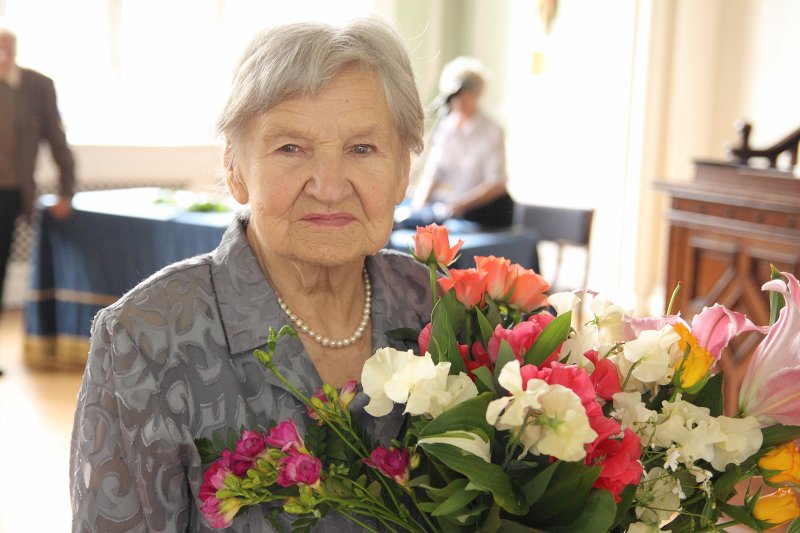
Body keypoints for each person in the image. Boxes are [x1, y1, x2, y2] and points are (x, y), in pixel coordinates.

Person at [69, 18, 432, 532]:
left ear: (402, 171)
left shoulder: (437, 308)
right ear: (235, 169)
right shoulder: (145, 340)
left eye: (362, 149)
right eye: (291, 148)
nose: (328, 188)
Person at [0, 27, 75, 310]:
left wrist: (66, 190)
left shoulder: (36, 87)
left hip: (8, 191)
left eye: (4, 51)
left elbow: (57, 142)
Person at [409, 56, 513, 228]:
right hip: (456, 209)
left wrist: (458, 205)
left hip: (486, 213)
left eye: (465, 93)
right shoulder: (445, 128)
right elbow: (434, 173)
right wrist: (417, 207)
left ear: (476, 94)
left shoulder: (492, 131)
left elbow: (496, 183)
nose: (459, 100)